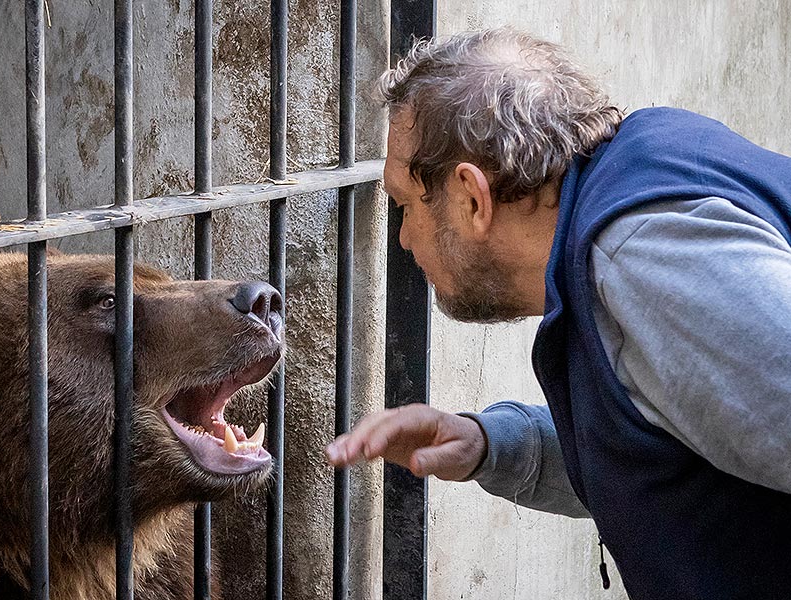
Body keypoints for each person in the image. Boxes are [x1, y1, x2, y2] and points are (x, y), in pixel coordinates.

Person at [324, 27, 791, 600]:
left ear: (472, 196)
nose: (403, 239)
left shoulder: (641, 265)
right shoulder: (633, 186)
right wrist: (489, 445)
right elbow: (672, 435)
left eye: (403, 205)